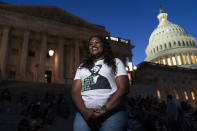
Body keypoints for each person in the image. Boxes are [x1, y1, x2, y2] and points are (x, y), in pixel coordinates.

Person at [72, 35, 129, 131]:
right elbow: (75, 91)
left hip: (112, 112)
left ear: (104, 45)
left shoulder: (116, 62)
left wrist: (104, 110)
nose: (93, 45)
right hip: (85, 113)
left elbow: (123, 88)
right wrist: (84, 111)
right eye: (90, 44)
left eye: (97, 42)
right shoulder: (82, 67)